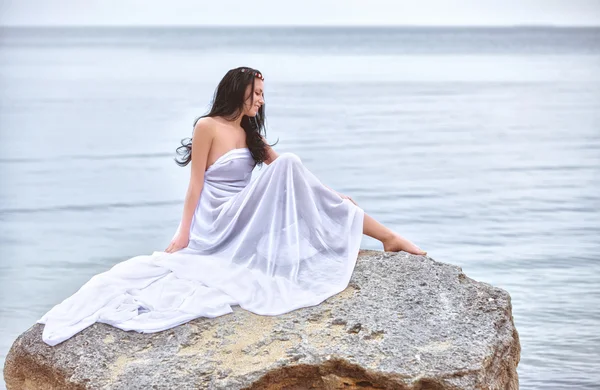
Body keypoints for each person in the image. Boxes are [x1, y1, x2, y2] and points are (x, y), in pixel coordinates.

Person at [37, 66, 426, 346]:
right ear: (238, 91)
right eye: (256, 92)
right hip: (216, 221)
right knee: (289, 162)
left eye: (262, 94)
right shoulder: (208, 126)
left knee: (293, 166)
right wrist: (184, 232)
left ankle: (386, 237)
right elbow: (196, 186)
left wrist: (333, 197)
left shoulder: (249, 132)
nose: (261, 99)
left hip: (242, 214)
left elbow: (291, 175)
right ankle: (387, 235)